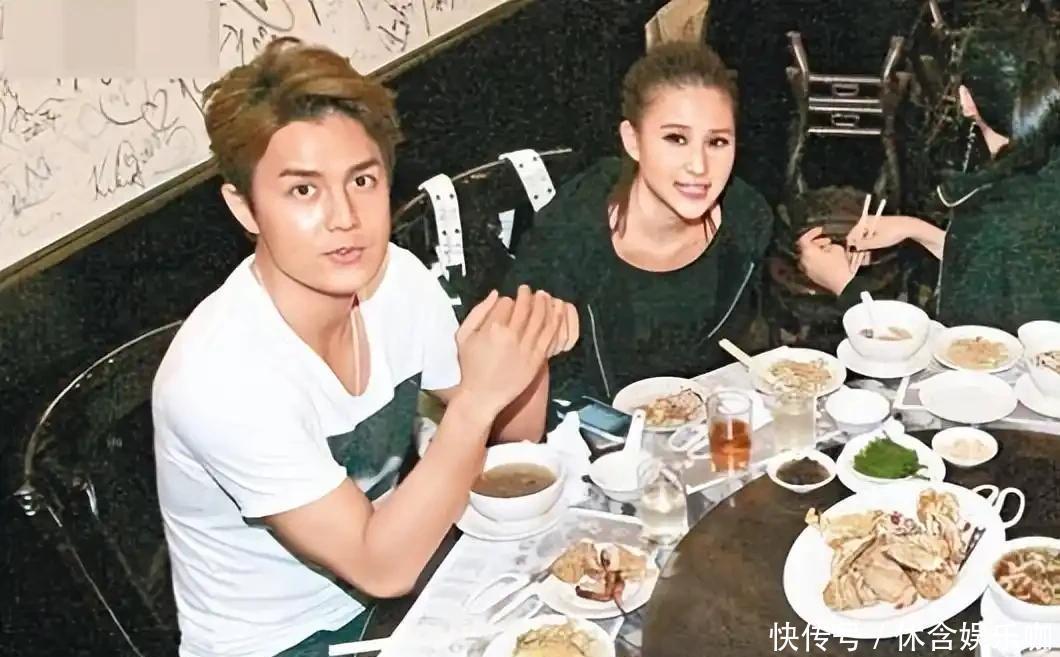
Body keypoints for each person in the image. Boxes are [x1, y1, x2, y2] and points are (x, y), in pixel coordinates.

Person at [152, 37, 578, 657]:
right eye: (303, 191)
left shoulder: (398, 280)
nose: (345, 217)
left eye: (362, 180)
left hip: (405, 595)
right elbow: (382, 566)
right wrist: (476, 403)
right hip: (284, 641)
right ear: (245, 208)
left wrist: (526, 351)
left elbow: (513, 447)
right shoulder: (219, 377)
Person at [500, 42, 792, 404]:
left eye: (717, 142)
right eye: (676, 139)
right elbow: (507, 389)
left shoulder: (747, 220)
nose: (699, 166)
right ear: (633, 140)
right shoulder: (570, 237)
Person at [801, 16, 1060, 330]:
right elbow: (1001, 270)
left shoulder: (993, 220)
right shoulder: (1043, 176)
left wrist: (844, 285)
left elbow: (963, 349)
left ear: (966, 100)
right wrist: (915, 230)